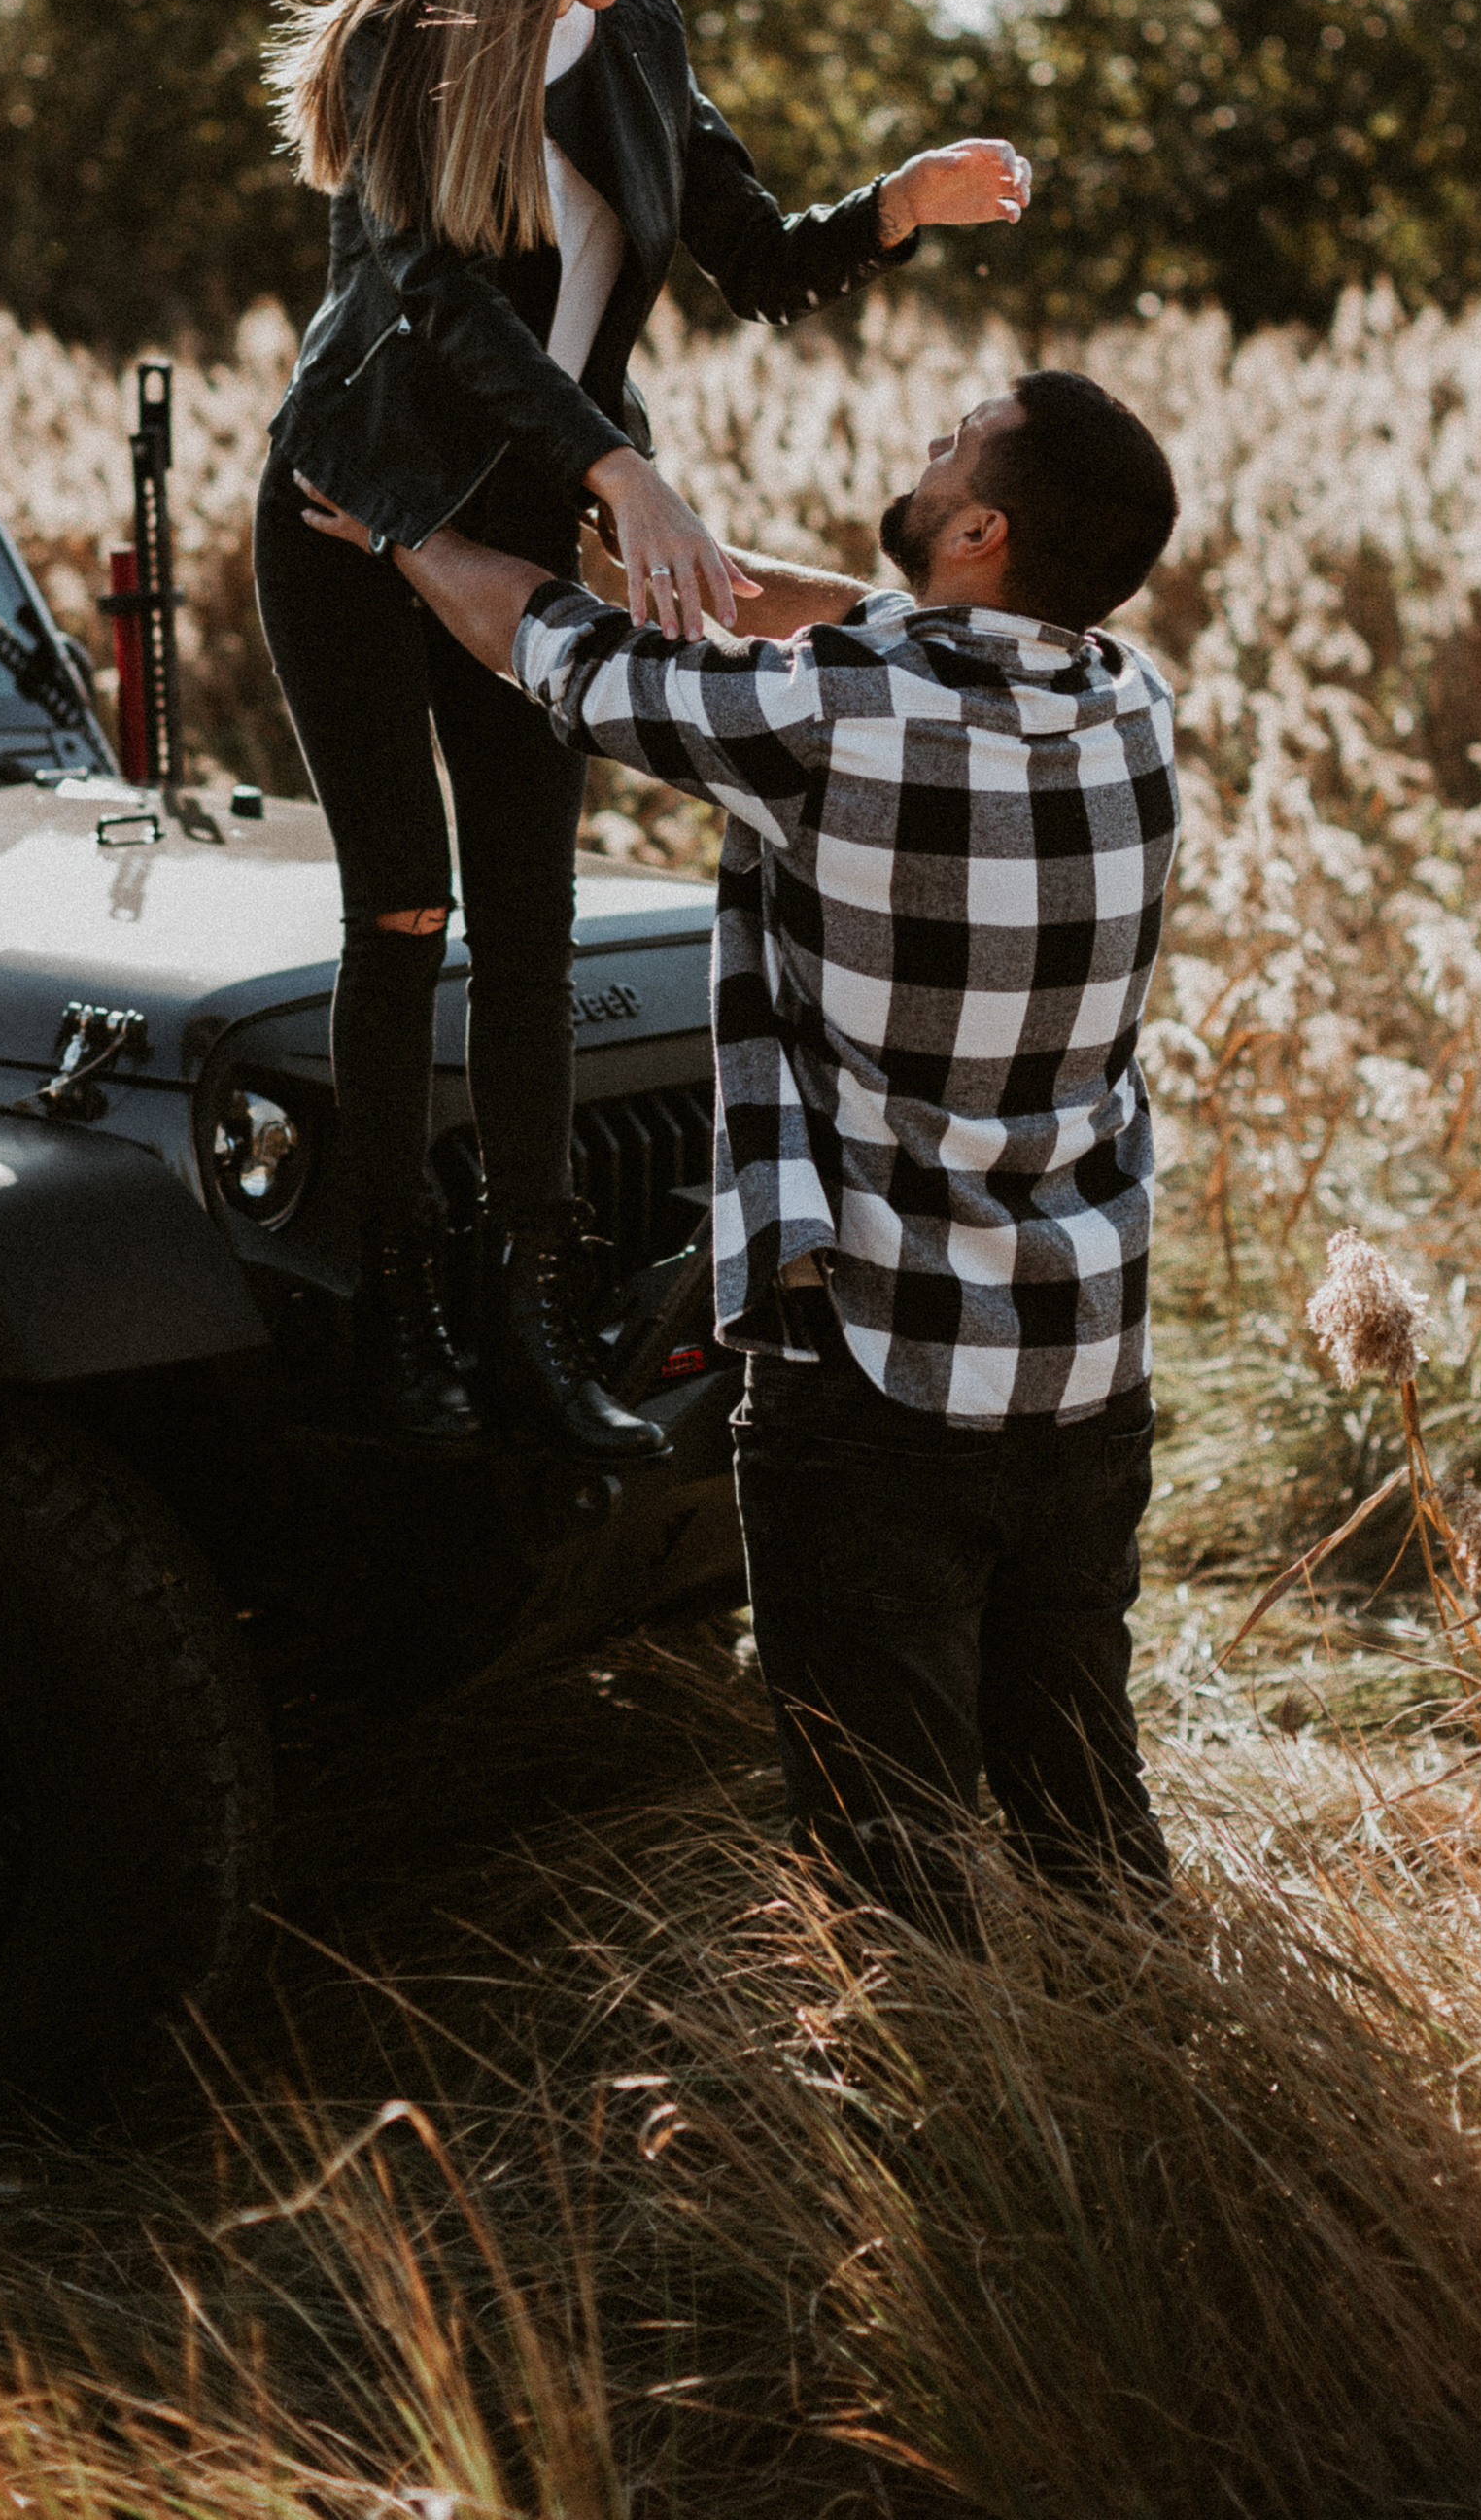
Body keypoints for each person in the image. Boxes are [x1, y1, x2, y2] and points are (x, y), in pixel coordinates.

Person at [295, 366, 1182, 1922]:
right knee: (1083, 1812)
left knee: (886, 1858)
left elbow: (556, 654)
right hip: (1083, 1366)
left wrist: (400, 528)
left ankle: (931, 2154)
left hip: (881, 1376)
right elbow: (887, 625)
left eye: (948, 443)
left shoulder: (832, 713)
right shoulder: (1127, 703)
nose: (921, 442)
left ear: (977, 524)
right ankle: (1149, 2095)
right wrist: (686, 546)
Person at [254, 0, 1037, 1457]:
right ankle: (395, 1310)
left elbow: (753, 255)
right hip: (356, 516)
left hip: (535, 525)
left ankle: (525, 1325)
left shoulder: (641, 36)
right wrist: (620, 467)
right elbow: (438, 308)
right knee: (404, 912)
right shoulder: (401, 49)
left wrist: (895, 205)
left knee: (529, 924)